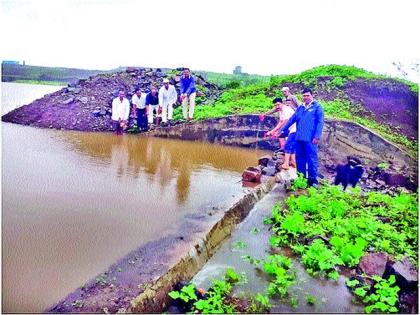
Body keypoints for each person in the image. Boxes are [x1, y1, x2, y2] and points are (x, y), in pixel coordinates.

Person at [279, 88, 324, 187]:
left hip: (311, 139)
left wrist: (317, 136)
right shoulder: (300, 108)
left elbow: (320, 122)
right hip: (299, 138)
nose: (305, 97)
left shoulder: (317, 107)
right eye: (304, 96)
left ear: (312, 95)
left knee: (311, 160)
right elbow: (292, 119)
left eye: (307, 95)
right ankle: (301, 178)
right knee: (300, 159)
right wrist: (282, 130)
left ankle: (313, 181)